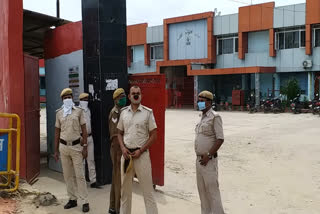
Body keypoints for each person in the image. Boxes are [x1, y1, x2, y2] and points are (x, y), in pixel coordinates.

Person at [117, 86, 158, 214]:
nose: (136, 95)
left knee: (148, 192)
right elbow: (119, 133)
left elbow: (154, 135)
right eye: (133, 94)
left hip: (142, 156)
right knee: (125, 191)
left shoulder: (148, 113)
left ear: (141, 95)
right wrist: (123, 148)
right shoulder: (123, 112)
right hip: (127, 156)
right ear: (129, 96)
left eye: (138, 93)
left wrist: (141, 150)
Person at [54, 88, 90, 213]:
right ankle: (72, 199)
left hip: (76, 147)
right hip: (63, 147)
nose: (68, 99)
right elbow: (57, 132)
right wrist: (55, 151)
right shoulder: (59, 113)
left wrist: (85, 147)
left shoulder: (79, 111)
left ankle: (85, 201)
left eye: (69, 97)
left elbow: (84, 130)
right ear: (62, 100)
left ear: (72, 99)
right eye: (65, 97)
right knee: (68, 175)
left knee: (79, 175)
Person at [195, 90, 225, 214]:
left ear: (209, 102)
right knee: (202, 192)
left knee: (212, 192)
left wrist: (208, 155)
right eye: (198, 101)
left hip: (209, 161)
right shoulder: (201, 118)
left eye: (201, 101)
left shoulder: (215, 117)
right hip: (199, 160)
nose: (199, 103)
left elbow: (220, 139)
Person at [108, 88, 127, 214]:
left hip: (121, 149)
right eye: (121, 97)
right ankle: (117, 208)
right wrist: (119, 153)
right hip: (117, 149)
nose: (123, 98)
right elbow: (115, 135)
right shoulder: (115, 112)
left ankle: (113, 207)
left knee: (117, 179)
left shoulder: (123, 111)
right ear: (115, 100)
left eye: (124, 95)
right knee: (118, 180)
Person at [79, 93, 100, 188]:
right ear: (80, 100)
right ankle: (81, 181)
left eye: (87, 99)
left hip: (89, 137)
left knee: (91, 159)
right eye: (84, 99)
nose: (86, 101)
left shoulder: (89, 110)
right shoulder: (77, 111)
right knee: (81, 161)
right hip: (81, 138)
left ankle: (93, 181)